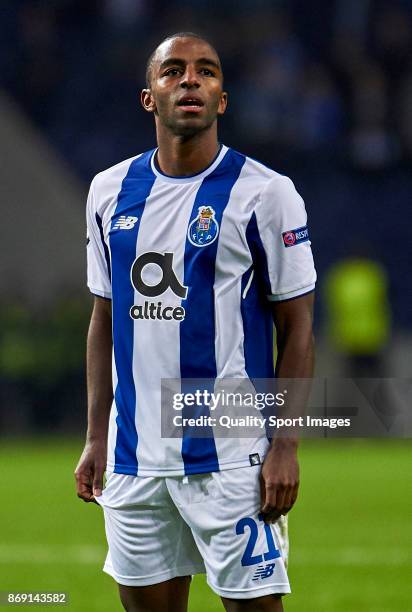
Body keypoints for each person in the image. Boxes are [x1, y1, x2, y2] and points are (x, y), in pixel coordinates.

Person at [75, 32, 316, 612]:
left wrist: (285, 445)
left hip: (231, 461)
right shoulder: (108, 191)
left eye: (206, 72)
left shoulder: (267, 194)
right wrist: (95, 438)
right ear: (148, 97)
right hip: (133, 463)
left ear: (222, 100)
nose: (190, 81)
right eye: (174, 71)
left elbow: (300, 327)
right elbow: (103, 318)